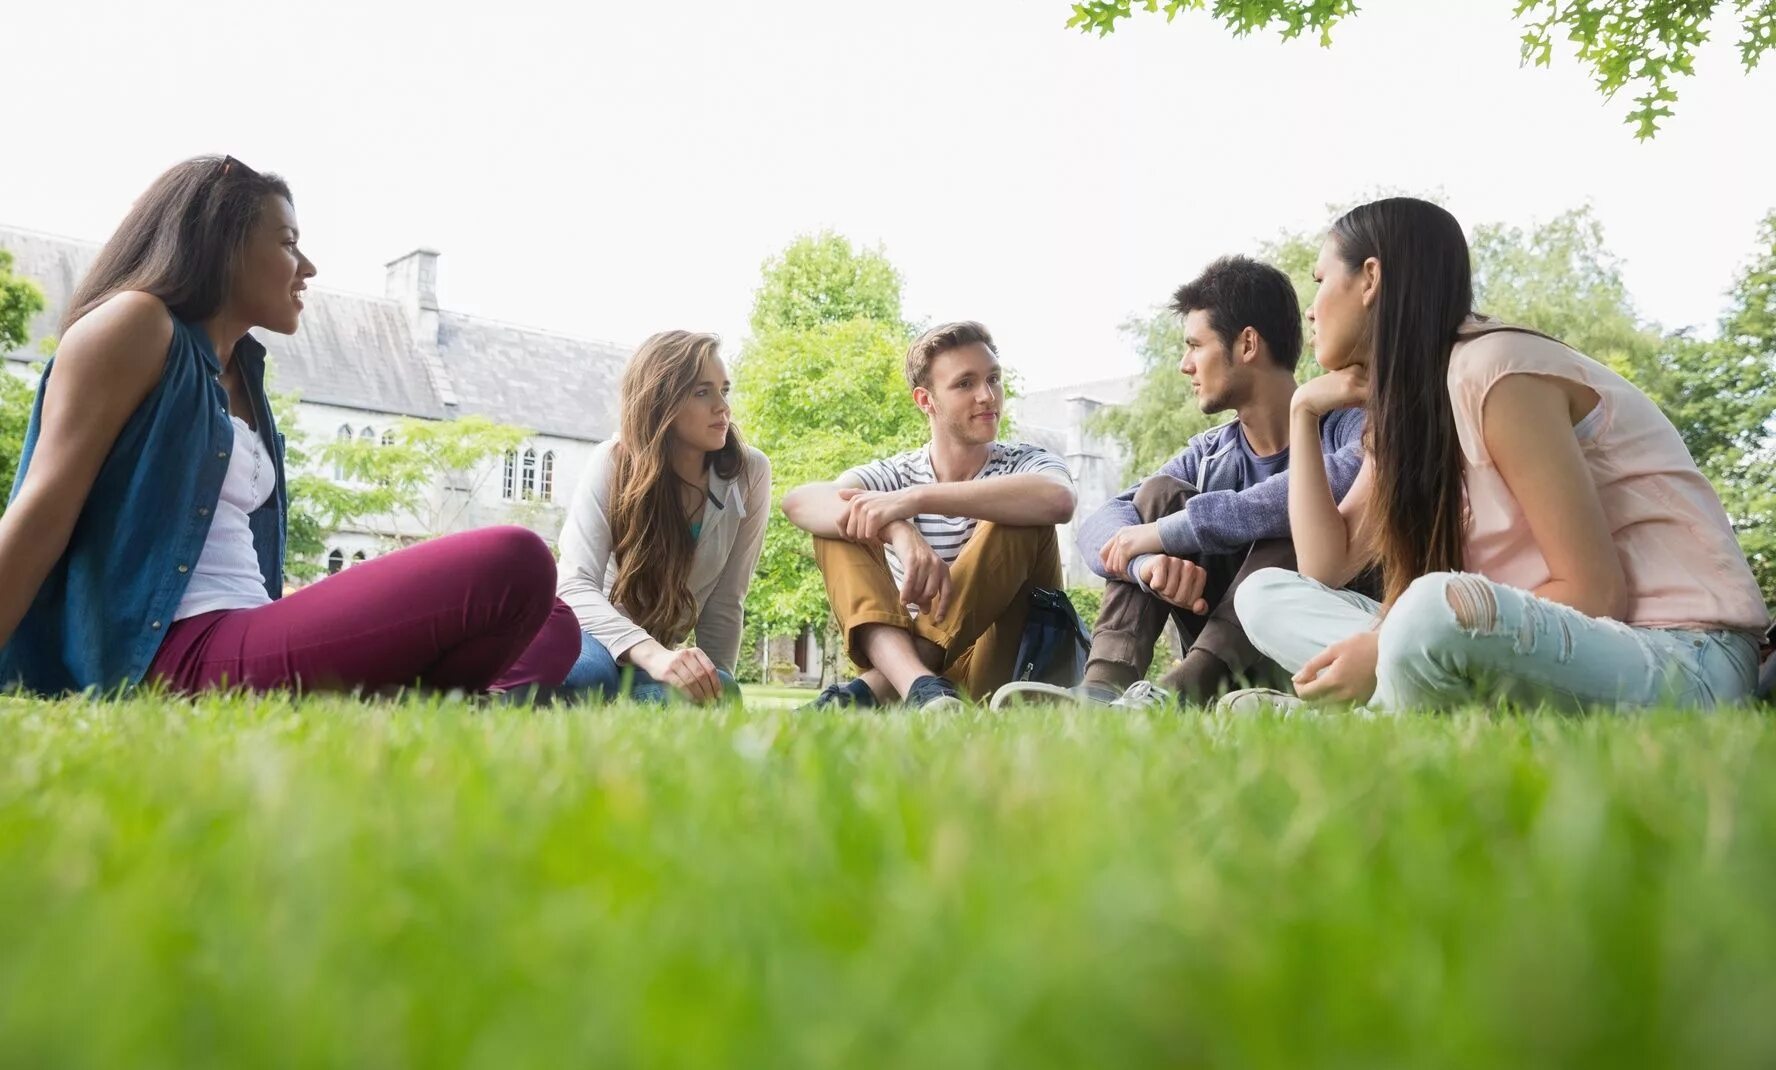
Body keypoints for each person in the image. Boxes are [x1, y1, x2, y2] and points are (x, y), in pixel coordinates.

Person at [0, 155, 580, 697]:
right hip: (173, 650)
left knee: (554, 617)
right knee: (517, 559)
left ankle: (399, 701)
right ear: (224, 244)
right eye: (288, 243)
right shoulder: (136, 323)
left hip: (247, 627)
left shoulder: (242, 373)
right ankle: (417, 700)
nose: (308, 267)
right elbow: (42, 509)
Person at [1228, 196, 1768, 713]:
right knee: (1264, 596)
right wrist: (1303, 413)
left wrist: (1382, 645)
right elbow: (1326, 564)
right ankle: (1417, 693)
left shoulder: (1497, 372)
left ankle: (1378, 713)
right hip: (1548, 647)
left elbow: (1595, 591)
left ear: (1370, 278)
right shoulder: (1415, 403)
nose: (1311, 308)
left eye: (1321, 281)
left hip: (1681, 657)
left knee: (1427, 611)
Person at [991, 256, 1365, 710]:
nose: (1184, 365)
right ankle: (1101, 689)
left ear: (1247, 344)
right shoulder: (1210, 452)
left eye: (1195, 345)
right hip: (1227, 644)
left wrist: (1166, 533)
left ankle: (1181, 692)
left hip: (1310, 649)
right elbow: (1100, 526)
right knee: (1159, 495)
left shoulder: (1350, 426)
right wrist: (1145, 563)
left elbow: (1289, 498)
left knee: (1292, 513)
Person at [782, 321, 1076, 710]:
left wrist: (915, 500)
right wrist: (898, 532)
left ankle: (882, 687)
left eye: (993, 379)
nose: (988, 396)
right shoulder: (897, 472)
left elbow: (1058, 500)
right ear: (925, 400)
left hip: (1009, 670)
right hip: (921, 680)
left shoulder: (1025, 462)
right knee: (842, 523)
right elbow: (799, 502)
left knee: (1017, 514)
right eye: (965, 384)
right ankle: (921, 685)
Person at [552, 331, 770, 703]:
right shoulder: (613, 461)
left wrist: (713, 686)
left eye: (724, 390)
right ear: (661, 402)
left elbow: (726, 599)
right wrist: (651, 653)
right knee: (587, 676)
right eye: (703, 392)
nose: (723, 407)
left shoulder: (750, 473)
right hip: (593, 633)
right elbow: (574, 586)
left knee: (722, 690)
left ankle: (617, 705)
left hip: (659, 660)